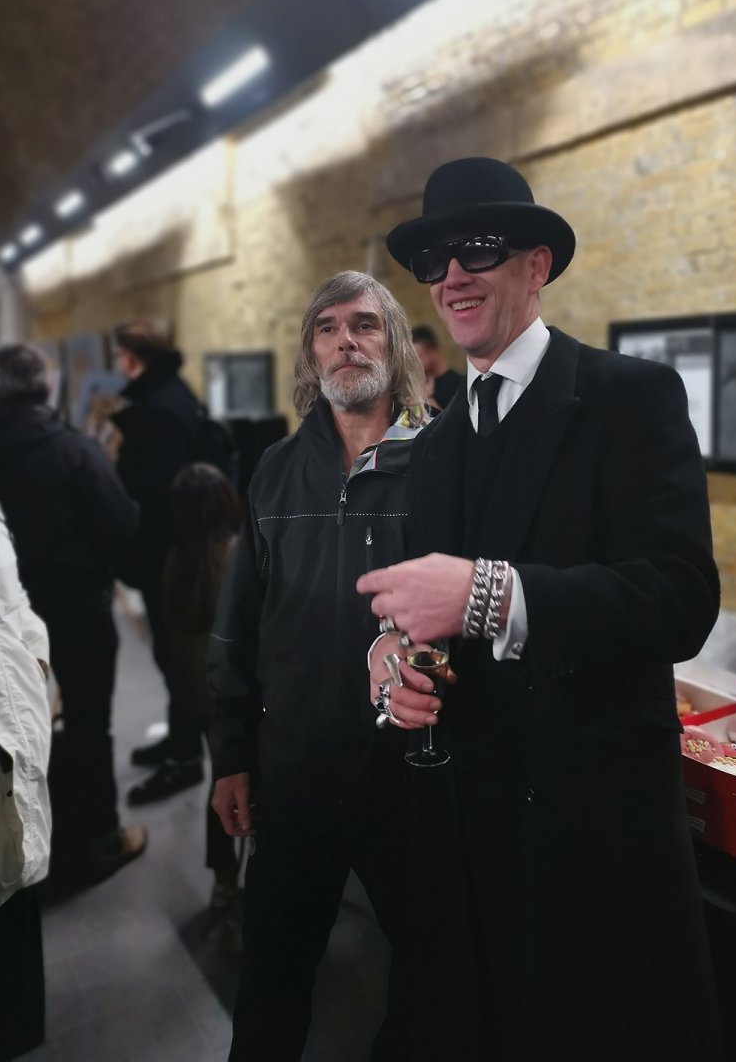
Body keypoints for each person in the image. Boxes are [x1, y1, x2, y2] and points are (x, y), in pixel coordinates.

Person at [358, 157, 722, 1059]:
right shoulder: (435, 445)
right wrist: (393, 661)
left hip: (588, 832)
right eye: (433, 260)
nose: (452, 276)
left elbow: (679, 599)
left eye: (477, 248)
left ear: (537, 264)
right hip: (462, 834)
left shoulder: (625, 398)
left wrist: (489, 594)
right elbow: (421, 616)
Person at [207, 271, 428, 1060]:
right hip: (295, 767)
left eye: (365, 324)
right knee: (273, 975)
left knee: (436, 973)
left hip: (410, 774)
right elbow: (236, 626)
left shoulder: (439, 462)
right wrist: (231, 754)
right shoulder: (275, 470)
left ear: (394, 343)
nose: (346, 340)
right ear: (311, 350)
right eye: (328, 327)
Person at [0, 345, 146, 883]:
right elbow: (122, 524)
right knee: (88, 724)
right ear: (44, 388)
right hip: (76, 609)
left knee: (11, 728)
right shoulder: (72, 451)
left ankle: (21, 843)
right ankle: (99, 839)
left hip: (7, 620)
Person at [110, 318, 206, 803]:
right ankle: (179, 740)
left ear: (131, 359)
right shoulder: (167, 395)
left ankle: (185, 759)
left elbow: (152, 492)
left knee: (177, 658)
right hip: (171, 551)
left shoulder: (158, 410)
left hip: (168, 554)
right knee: (172, 656)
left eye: (119, 357)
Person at [161, 462, 242, 913]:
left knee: (223, 781)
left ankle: (224, 882)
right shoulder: (235, 556)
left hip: (200, 698)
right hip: (237, 696)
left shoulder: (176, 563)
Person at [0, 503, 51, 1060]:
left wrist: (36, 660)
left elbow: (12, 606)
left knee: (13, 880)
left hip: (11, 733)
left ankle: (17, 1025)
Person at [411, 323, 463, 410]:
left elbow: (453, 422)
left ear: (434, 352)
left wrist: (428, 398)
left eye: (419, 356)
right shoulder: (418, 385)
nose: (415, 362)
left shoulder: (459, 385)